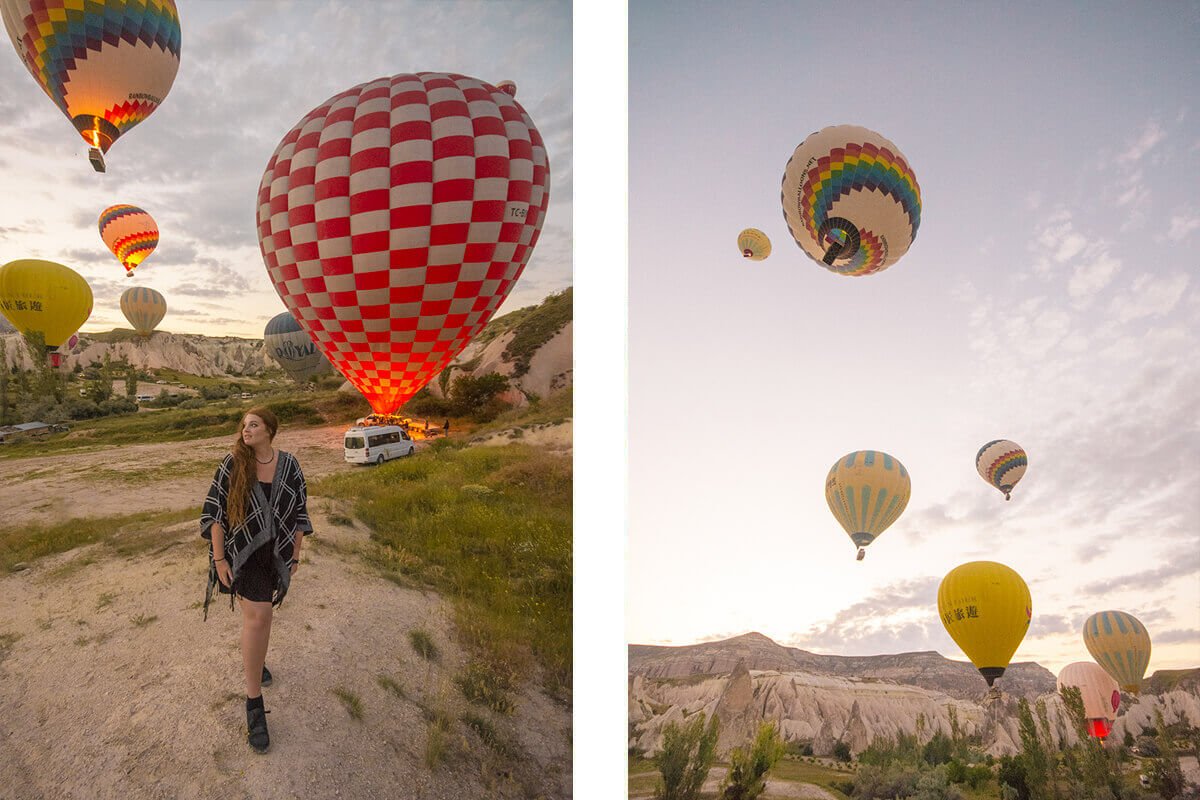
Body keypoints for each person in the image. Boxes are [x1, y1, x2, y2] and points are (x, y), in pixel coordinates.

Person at [201, 407, 312, 754]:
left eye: (253, 425)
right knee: (259, 617)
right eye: (244, 426)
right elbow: (214, 512)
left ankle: (256, 660)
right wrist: (219, 559)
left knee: (262, 621)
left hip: (274, 555)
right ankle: (253, 705)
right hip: (241, 555)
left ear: (269, 430)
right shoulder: (232, 463)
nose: (246, 430)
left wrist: (294, 554)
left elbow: (298, 513)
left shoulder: (290, 464)